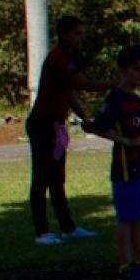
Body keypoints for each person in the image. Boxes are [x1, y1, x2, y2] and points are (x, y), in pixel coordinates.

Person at [83, 46, 140, 280]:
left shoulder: (136, 100)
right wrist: (127, 141)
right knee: (126, 218)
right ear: (123, 70)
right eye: (136, 69)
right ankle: (125, 265)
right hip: (125, 168)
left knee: (139, 216)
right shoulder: (116, 99)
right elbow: (97, 126)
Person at [27, 16, 111, 246]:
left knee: (56, 179)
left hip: (55, 125)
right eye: (77, 34)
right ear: (65, 35)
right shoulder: (59, 58)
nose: (81, 38)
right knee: (41, 179)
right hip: (43, 124)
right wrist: (117, 83)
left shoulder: (66, 58)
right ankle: (42, 232)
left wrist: (85, 118)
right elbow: (84, 84)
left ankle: (68, 228)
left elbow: (70, 93)